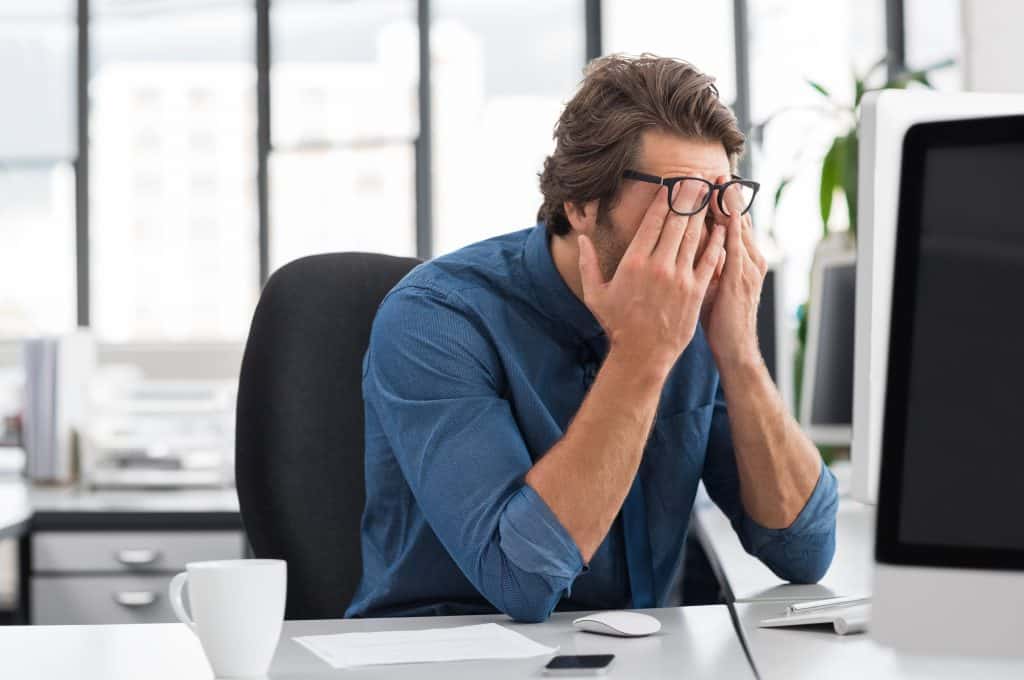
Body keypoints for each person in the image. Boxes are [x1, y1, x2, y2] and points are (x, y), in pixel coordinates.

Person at [346, 54, 838, 622]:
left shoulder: (701, 313)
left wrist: (738, 354)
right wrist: (642, 354)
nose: (705, 232)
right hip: (450, 654)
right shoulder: (436, 318)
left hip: (639, 654)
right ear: (581, 204)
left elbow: (804, 551)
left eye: (722, 200)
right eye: (681, 197)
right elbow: (521, 582)